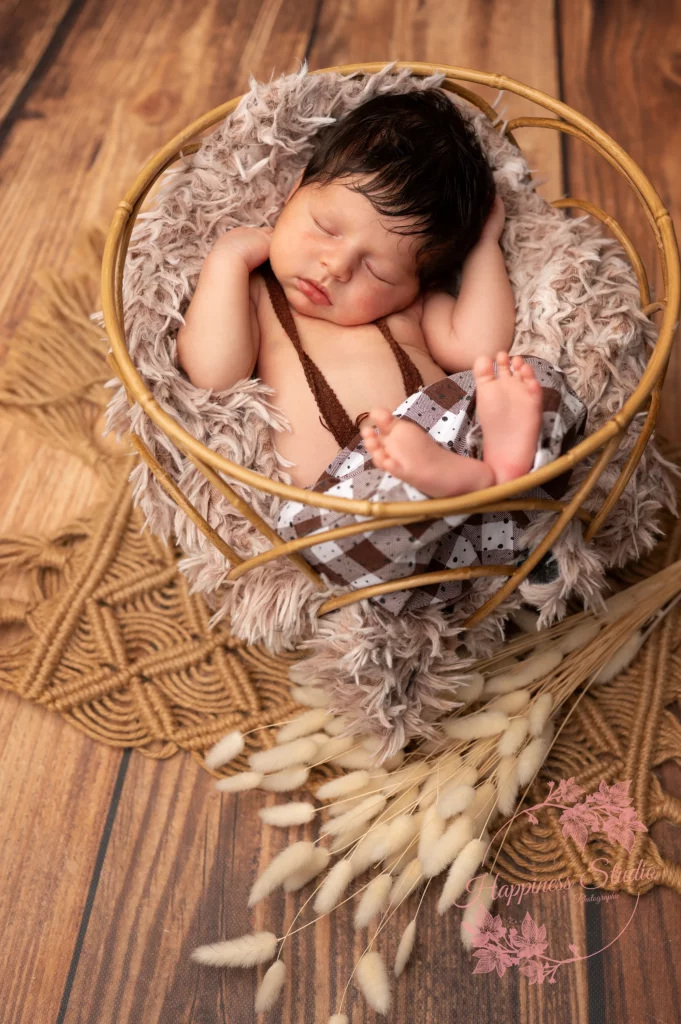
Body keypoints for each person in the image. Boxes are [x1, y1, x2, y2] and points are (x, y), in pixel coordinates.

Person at [176, 90, 546, 499]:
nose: (337, 266)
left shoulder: (407, 309)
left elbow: (481, 347)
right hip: (345, 505)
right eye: (326, 227)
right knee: (324, 527)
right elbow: (214, 375)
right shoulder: (257, 293)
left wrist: (484, 245)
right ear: (296, 190)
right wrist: (228, 260)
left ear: (415, 284)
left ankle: (487, 471)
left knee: (535, 377)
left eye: (378, 270)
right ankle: (473, 479)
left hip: (455, 446)